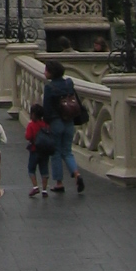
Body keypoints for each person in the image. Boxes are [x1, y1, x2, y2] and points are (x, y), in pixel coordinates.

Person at [41, 59, 84, 195]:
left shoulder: (49, 87)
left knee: (56, 153)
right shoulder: (68, 83)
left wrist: (45, 123)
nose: (44, 72)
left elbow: (47, 109)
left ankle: (59, 183)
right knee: (67, 151)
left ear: (51, 73)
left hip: (56, 122)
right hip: (69, 121)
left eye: (46, 70)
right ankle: (76, 174)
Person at [24, 102, 53, 197]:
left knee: (31, 168)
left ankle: (35, 186)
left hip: (34, 150)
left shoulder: (31, 125)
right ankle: (44, 190)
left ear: (33, 114)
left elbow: (28, 136)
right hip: (45, 151)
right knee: (44, 169)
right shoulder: (45, 125)